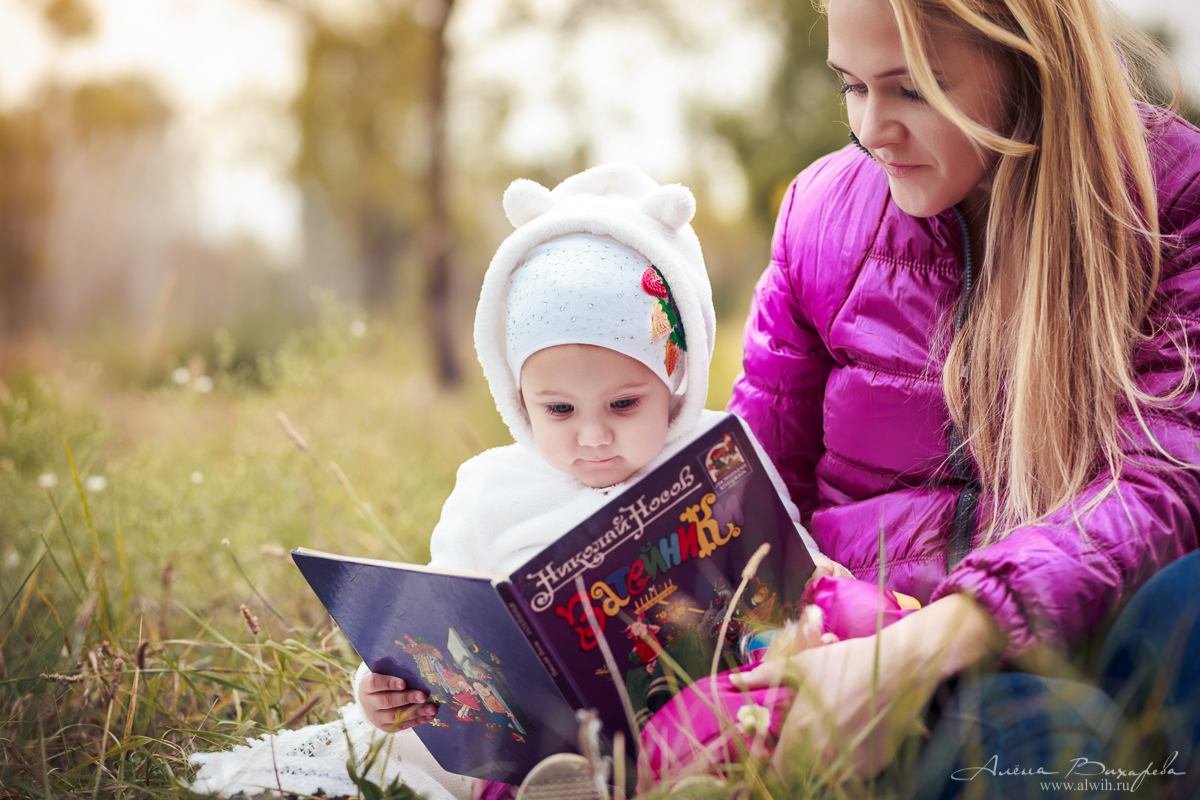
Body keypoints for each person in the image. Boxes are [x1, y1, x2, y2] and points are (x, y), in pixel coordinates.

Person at [190, 162, 831, 800]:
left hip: (704, 711)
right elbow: (439, 628)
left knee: (822, 646)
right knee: (413, 748)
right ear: (518, 397)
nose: (592, 436)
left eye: (625, 404)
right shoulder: (491, 493)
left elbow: (794, 561)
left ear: (675, 381)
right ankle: (567, 785)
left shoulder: (714, 456)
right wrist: (386, 687)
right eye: (559, 410)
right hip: (539, 749)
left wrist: (817, 601)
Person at [727, 0, 1200, 795]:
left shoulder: (1167, 200)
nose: (872, 128)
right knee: (1048, 741)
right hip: (891, 667)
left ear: (1025, 60)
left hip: (1094, 627)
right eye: (852, 86)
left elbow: (1169, 477)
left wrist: (950, 632)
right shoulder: (818, 221)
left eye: (912, 89)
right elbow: (754, 497)